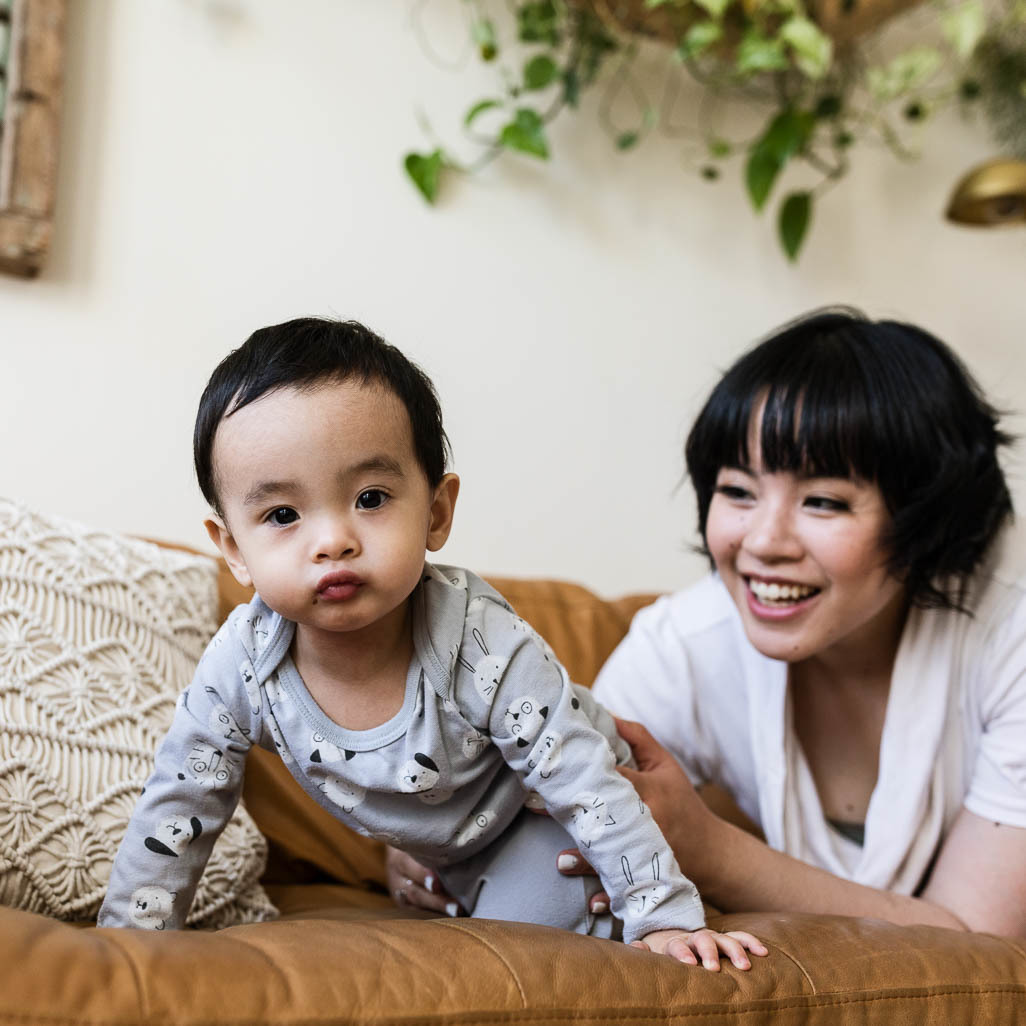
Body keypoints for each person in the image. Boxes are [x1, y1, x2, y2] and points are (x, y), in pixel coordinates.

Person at [97, 317, 766, 968]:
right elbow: (179, 803)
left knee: (518, 963)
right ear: (234, 549)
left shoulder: (476, 638)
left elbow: (580, 777)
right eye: (282, 515)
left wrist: (665, 916)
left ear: (437, 512)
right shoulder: (243, 664)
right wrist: (128, 950)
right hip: (449, 852)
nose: (332, 540)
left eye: (371, 497)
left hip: (551, 823)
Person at [388, 308, 1026, 941]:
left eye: (824, 501)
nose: (764, 541)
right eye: (739, 492)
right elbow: (567, 799)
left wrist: (707, 848)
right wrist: (442, 840)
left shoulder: (1010, 637)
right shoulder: (687, 643)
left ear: (926, 517)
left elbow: (984, 941)